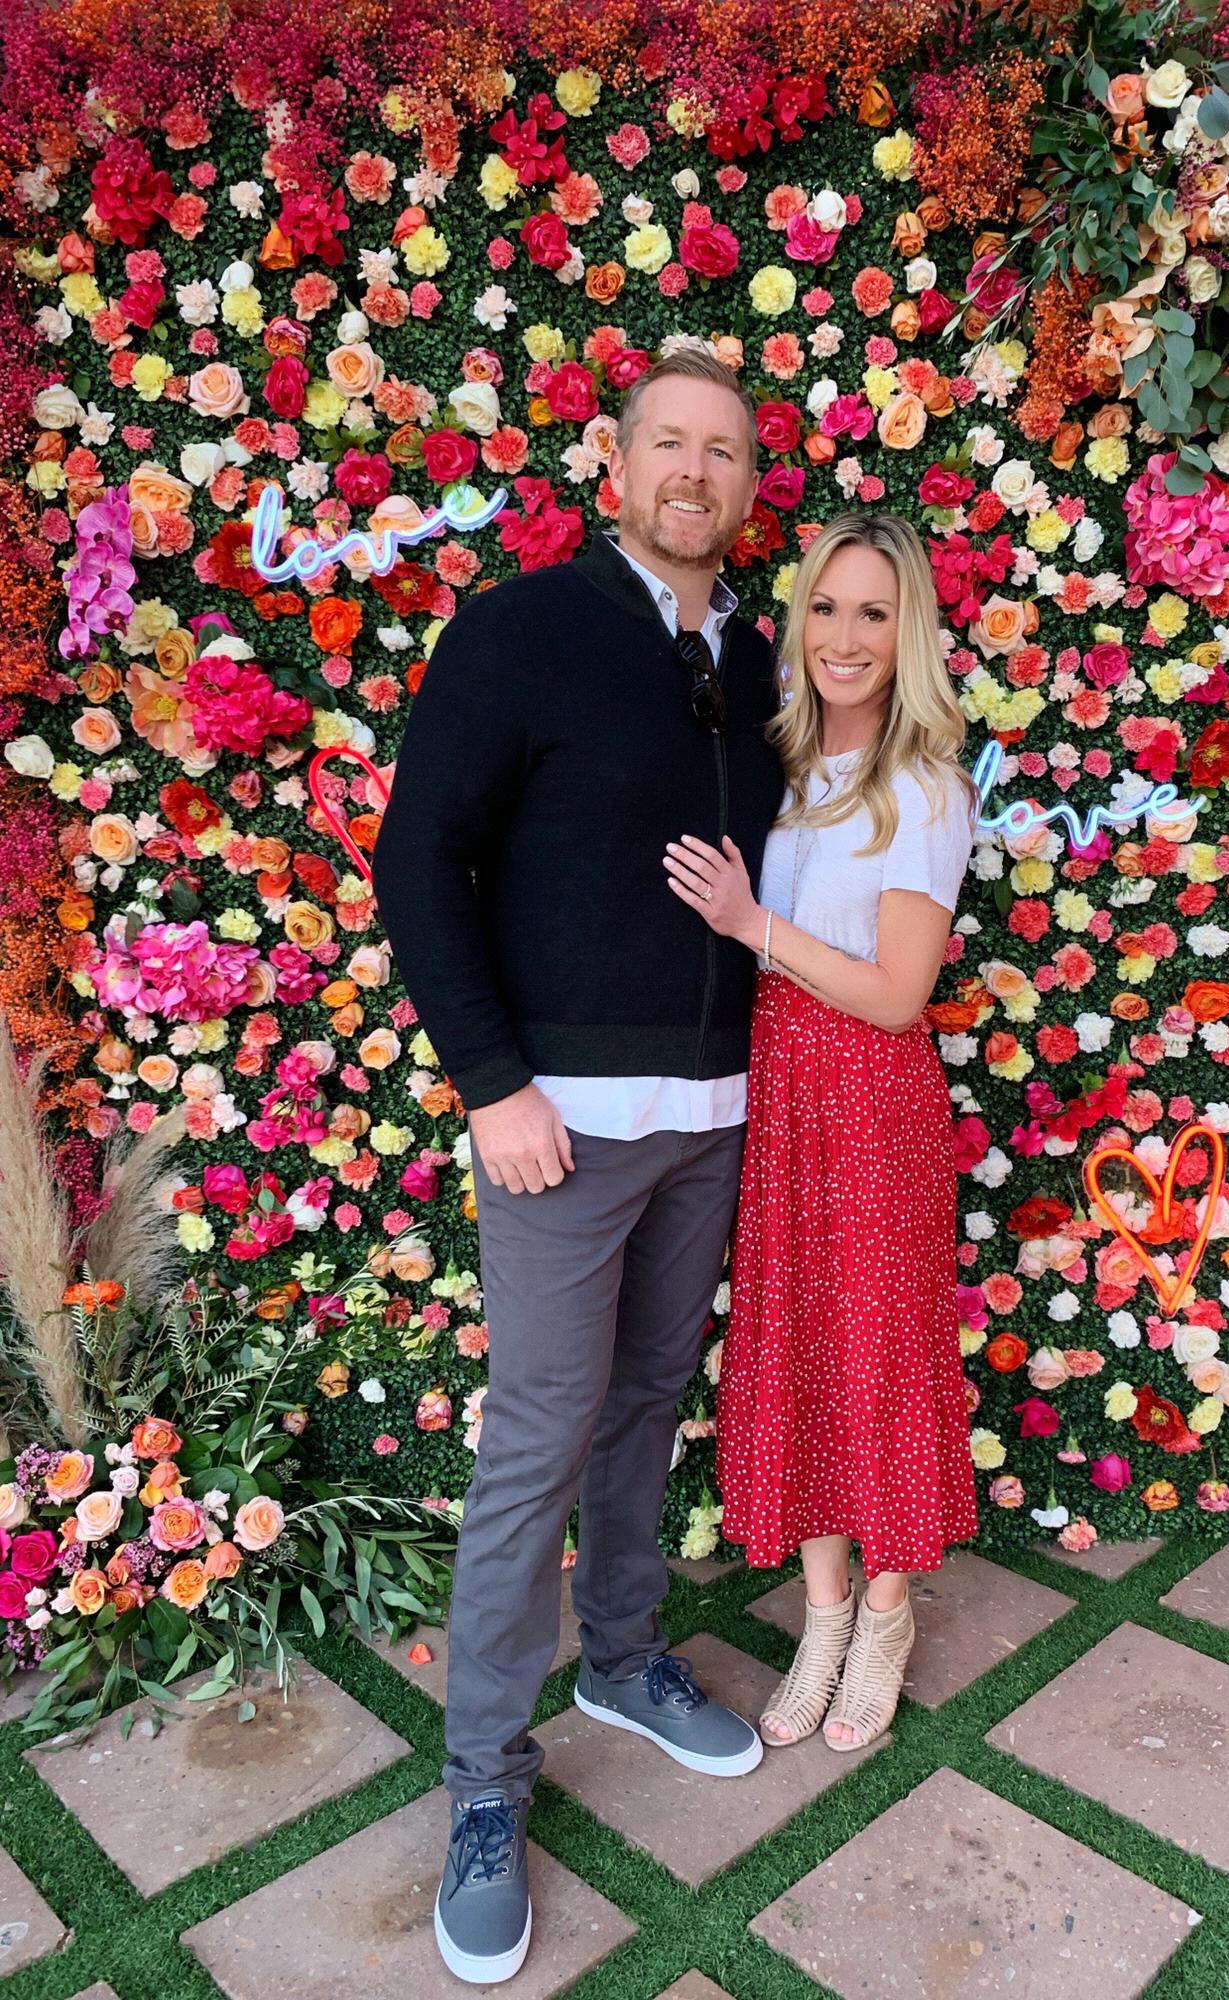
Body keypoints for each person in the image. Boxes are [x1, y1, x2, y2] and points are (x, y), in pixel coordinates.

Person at [371, 349, 787, 1986]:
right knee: (537, 1437)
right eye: (668, 443)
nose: (695, 472)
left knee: (646, 1402)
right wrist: (492, 1083)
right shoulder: (522, 630)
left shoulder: (756, 658)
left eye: (723, 451)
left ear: (748, 485)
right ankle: (484, 1779)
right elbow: (420, 857)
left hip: (713, 1116)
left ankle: (621, 1656)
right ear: (616, 464)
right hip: (557, 1125)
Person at [663, 511, 979, 1755]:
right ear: (799, 624)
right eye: (827, 608)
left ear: (909, 634)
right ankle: (825, 1612)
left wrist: (752, 925)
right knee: (796, 1342)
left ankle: (886, 1616)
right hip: (781, 1087)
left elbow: (899, 994)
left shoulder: (925, 786)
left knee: (876, 1351)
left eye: (873, 612)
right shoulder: (780, 764)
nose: (845, 636)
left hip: (873, 1095)